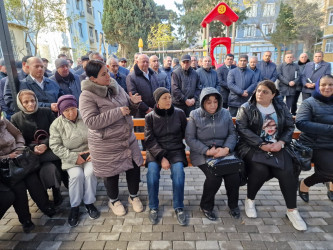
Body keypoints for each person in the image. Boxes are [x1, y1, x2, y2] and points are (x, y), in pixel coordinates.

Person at [236, 80, 307, 231]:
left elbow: (289, 127)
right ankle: (250, 200)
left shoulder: (280, 107)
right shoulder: (246, 107)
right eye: (259, 90)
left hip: (277, 146)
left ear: (273, 95)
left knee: (287, 171)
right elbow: (242, 129)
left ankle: (292, 210)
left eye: (265, 92)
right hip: (252, 147)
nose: (260, 94)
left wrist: (281, 142)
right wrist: (261, 144)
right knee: (260, 170)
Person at [79, 60, 144, 216]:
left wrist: (133, 104)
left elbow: (127, 107)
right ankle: (113, 200)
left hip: (127, 139)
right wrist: (118, 112)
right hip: (106, 143)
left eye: (107, 71)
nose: (108, 76)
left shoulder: (114, 85)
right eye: (103, 74)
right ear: (93, 79)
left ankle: (133, 196)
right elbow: (91, 122)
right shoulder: (86, 96)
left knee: (134, 167)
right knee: (111, 173)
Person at [185, 87, 239, 220]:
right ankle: (206, 205)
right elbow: (190, 139)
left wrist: (226, 149)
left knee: (233, 175)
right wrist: (207, 150)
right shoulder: (195, 115)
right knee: (214, 176)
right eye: (209, 102)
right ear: (203, 102)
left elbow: (233, 134)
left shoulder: (225, 114)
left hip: (223, 152)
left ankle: (233, 205)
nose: (213, 105)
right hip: (202, 153)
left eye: (215, 101)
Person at [0, 109, 56, 229]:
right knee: (19, 189)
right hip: (5, 166)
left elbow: (18, 134)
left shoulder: (4, 121)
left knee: (33, 181)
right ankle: (25, 220)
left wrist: (19, 147)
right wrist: (7, 156)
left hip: (19, 158)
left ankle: (46, 207)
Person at [49, 95, 99, 227]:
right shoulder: (56, 124)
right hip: (70, 156)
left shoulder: (87, 117)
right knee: (76, 176)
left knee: (90, 173)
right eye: (66, 110)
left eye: (73, 108)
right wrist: (73, 157)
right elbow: (55, 145)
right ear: (61, 111)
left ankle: (89, 202)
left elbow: (98, 135)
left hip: (89, 154)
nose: (71, 113)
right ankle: (75, 206)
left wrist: (93, 152)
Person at [11, 90, 64, 206]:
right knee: (41, 170)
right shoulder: (16, 118)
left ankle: (56, 192)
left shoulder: (46, 112)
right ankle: (44, 196)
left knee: (55, 162)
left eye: (32, 100)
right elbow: (18, 140)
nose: (31, 104)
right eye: (26, 102)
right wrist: (33, 147)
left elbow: (56, 132)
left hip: (50, 149)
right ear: (20, 104)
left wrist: (45, 144)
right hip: (31, 153)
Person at [145, 87, 187, 225]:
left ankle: (179, 206)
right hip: (156, 151)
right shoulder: (150, 117)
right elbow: (149, 140)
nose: (168, 100)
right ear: (157, 101)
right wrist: (161, 157)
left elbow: (186, 133)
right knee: (151, 174)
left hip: (175, 150)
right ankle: (153, 207)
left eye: (169, 97)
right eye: (164, 98)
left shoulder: (179, 113)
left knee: (179, 173)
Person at [296, 75, 333, 202]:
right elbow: (301, 123)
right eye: (323, 85)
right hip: (316, 144)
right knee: (328, 172)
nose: (327, 87)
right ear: (318, 86)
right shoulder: (309, 103)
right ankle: (305, 183)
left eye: (330, 84)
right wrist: (330, 129)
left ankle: (331, 185)